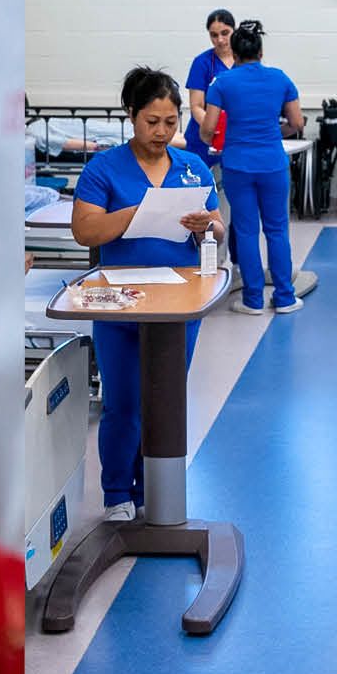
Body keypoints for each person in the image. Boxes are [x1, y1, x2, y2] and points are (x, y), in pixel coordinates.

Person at [71, 67, 225, 522]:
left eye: (171, 122)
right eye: (151, 121)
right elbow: (85, 230)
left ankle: (151, 490)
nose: (161, 132)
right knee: (122, 403)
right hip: (121, 301)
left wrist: (207, 225)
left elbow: (219, 225)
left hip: (179, 305)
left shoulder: (190, 167)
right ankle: (117, 491)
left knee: (164, 398)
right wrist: (140, 212)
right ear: (131, 116)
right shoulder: (105, 169)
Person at [201, 20, 304, 315]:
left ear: (234, 52)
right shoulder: (280, 78)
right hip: (273, 163)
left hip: (237, 164)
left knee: (246, 230)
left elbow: (208, 129)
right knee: (277, 229)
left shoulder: (223, 83)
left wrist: (222, 140)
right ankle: (285, 298)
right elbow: (297, 123)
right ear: (260, 51)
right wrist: (272, 133)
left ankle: (253, 300)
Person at [183, 8, 237, 167]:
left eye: (225, 33)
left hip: (234, 140)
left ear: (234, 30)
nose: (220, 40)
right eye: (214, 35)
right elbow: (196, 106)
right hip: (202, 141)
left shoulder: (244, 62)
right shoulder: (202, 63)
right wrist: (214, 128)